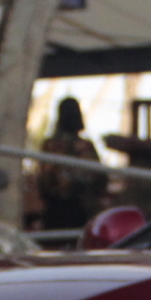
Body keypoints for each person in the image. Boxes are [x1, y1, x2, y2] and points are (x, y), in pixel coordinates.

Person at [31, 97, 105, 232]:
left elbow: (43, 180)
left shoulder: (51, 146)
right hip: (73, 208)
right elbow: (101, 179)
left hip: (66, 208)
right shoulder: (85, 146)